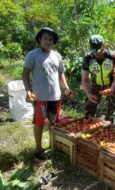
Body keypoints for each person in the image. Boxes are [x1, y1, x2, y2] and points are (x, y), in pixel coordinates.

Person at [22, 27, 73, 160]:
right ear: (39, 39)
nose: (48, 41)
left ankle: (53, 146)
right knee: (39, 123)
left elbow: (60, 73)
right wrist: (28, 90)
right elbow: (25, 74)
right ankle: (39, 149)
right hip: (39, 97)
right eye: (45, 38)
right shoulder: (33, 55)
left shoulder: (57, 55)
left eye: (51, 39)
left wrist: (66, 88)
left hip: (55, 96)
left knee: (53, 122)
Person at [82, 34, 115, 122]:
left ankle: (110, 128)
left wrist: (112, 90)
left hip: (111, 83)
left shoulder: (113, 56)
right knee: (89, 107)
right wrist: (88, 93)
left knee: (111, 109)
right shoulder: (88, 58)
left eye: (98, 51)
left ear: (104, 45)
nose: (96, 53)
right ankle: (88, 125)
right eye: (94, 51)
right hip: (96, 83)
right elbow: (84, 79)